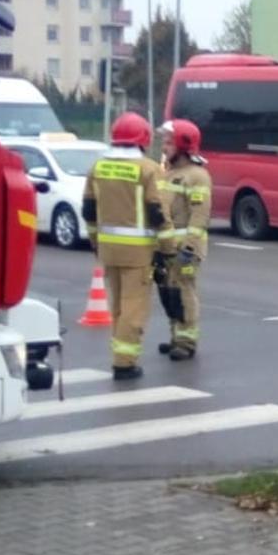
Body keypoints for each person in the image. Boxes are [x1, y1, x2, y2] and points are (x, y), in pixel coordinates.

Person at [81, 113, 167, 380]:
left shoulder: (98, 167)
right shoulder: (149, 169)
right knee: (134, 308)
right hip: (138, 252)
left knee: (118, 305)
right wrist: (168, 249)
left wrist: (96, 243)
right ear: (143, 139)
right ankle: (124, 362)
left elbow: (89, 211)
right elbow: (158, 213)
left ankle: (120, 355)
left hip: (108, 249)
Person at [154, 119, 212, 360]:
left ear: (183, 144)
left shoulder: (197, 176)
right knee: (169, 293)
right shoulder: (167, 173)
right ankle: (176, 336)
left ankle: (187, 342)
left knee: (183, 291)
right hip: (166, 247)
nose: (164, 146)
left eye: (169, 142)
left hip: (186, 248)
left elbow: (200, 215)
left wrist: (188, 247)